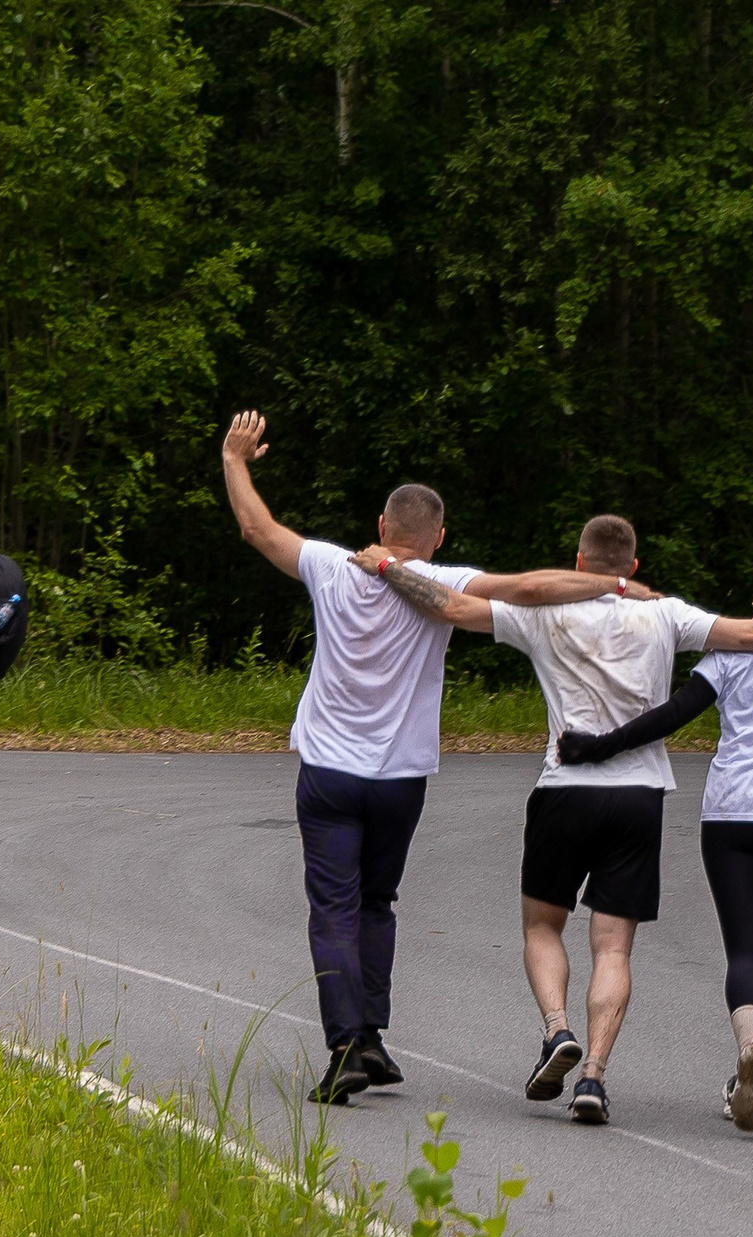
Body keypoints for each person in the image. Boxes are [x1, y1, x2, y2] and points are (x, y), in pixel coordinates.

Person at [218, 412, 645, 1107]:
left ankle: (346, 1045)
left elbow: (257, 529)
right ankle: (372, 1035)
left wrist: (236, 459)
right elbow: (529, 588)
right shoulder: (447, 579)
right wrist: (615, 586)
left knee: (334, 907)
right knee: (378, 902)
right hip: (401, 777)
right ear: (438, 537)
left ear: (381, 526)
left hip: (329, 772)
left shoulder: (329, 564)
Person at [353, 515, 753, 1126]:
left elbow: (450, 607)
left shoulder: (544, 613)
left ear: (579, 563)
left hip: (564, 788)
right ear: (632, 567)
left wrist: (384, 566)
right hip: (638, 795)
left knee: (542, 927)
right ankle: (594, 1076)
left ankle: (558, 1030)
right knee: (613, 945)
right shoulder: (668, 614)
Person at [551, 543, 753, 1133]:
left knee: (744, 949)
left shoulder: (729, 655)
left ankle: (749, 1044)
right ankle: (749, 1072)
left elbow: (671, 715)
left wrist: (598, 747)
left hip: (734, 817)